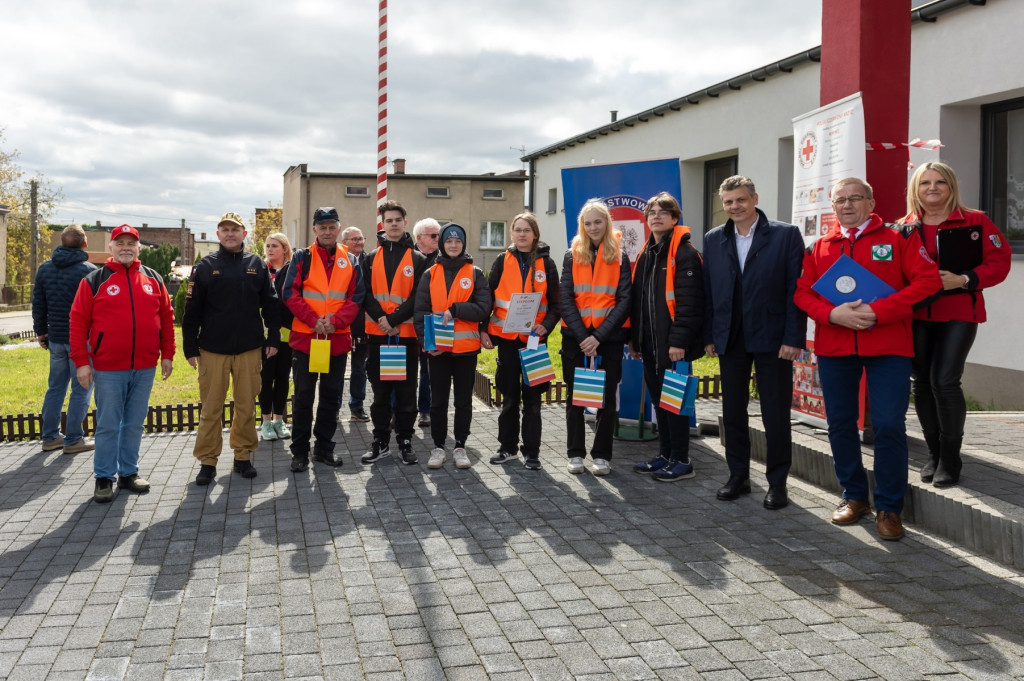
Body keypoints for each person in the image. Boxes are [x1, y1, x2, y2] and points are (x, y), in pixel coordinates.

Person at [794, 177, 941, 541]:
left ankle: (890, 507)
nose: (846, 205)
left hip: (888, 346)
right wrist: (832, 316)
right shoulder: (819, 246)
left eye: (854, 198)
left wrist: (878, 312)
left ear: (871, 202)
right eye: (840, 200)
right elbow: (802, 293)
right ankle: (854, 496)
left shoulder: (899, 238)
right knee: (841, 424)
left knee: (890, 425)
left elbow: (928, 282)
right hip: (836, 346)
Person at [898, 162, 1011, 487]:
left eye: (940, 182)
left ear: (951, 187)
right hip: (916, 315)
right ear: (915, 189)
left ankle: (951, 458)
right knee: (921, 382)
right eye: (925, 183)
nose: (932, 188)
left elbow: (1000, 262)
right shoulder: (902, 227)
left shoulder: (976, 221)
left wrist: (964, 279)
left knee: (945, 381)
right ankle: (933, 454)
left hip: (960, 312)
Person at [702, 176, 806, 509]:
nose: (734, 207)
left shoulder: (785, 235)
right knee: (733, 412)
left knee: (775, 413)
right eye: (728, 202)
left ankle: (777, 483)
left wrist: (793, 338)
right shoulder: (714, 238)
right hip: (730, 339)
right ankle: (738, 477)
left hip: (773, 339)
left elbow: (796, 291)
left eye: (740, 200)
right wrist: (710, 336)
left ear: (755, 198)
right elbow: (709, 293)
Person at [69, 225, 175, 502]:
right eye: (120, 242)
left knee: (134, 423)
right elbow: (78, 322)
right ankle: (104, 477)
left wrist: (168, 354)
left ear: (139, 248)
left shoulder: (153, 279)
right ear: (111, 248)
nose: (126, 247)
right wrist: (82, 362)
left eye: (131, 243)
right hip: (107, 368)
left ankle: (129, 473)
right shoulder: (93, 280)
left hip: (144, 366)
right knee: (108, 424)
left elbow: (166, 317)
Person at [183, 212, 281, 486]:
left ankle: (242, 456)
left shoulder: (257, 265)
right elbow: (191, 311)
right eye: (224, 229)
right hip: (213, 349)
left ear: (244, 234)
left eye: (235, 230)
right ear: (218, 234)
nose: (229, 234)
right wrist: (190, 346)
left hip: (249, 348)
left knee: (246, 405)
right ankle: (207, 461)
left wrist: (273, 338)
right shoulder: (204, 266)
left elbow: (272, 305)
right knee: (211, 408)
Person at [629, 192, 705, 482]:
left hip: (673, 347)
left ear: (675, 218)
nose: (656, 216)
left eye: (664, 212)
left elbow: (690, 303)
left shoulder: (685, 253)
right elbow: (640, 301)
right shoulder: (647, 253)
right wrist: (635, 340)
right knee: (660, 401)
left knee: (675, 402)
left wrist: (679, 343)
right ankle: (665, 455)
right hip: (650, 344)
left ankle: (682, 460)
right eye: (652, 212)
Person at [282, 208, 365, 472]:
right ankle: (299, 452)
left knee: (331, 398)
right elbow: (289, 293)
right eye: (322, 227)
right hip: (307, 340)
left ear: (339, 229)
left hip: (336, 340)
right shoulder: (301, 257)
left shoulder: (351, 260)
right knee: (304, 398)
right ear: (315, 230)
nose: (327, 231)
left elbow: (356, 299)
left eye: (332, 226)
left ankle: (324, 448)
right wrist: (314, 320)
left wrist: (335, 322)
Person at [481, 212, 560, 470]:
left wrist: (546, 326)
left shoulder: (547, 264)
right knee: (510, 398)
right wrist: (484, 330)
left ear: (535, 234)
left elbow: (557, 305)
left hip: (535, 340)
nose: (522, 234)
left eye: (527, 230)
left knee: (534, 400)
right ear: (512, 233)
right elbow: (488, 298)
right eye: (518, 230)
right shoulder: (502, 261)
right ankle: (507, 448)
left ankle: (532, 452)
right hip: (507, 340)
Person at [559, 200, 631, 476]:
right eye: (587, 223)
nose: (592, 228)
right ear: (582, 226)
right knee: (575, 398)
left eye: (597, 222)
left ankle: (601, 455)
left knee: (606, 399)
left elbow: (624, 300)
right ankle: (575, 454)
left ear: (606, 223)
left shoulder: (620, 256)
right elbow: (566, 298)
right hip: (575, 338)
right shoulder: (571, 254)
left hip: (608, 339)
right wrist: (583, 336)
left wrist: (598, 337)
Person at [414, 223, 491, 469]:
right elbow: (420, 313)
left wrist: (456, 309)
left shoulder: (475, 273)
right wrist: (428, 344)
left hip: (466, 350)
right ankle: (438, 447)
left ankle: (460, 445)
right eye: (449, 242)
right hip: (438, 350)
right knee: (438, 401)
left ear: (463, 244)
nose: (454, 245)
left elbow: (484, 307)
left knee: (463, 401)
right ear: (442, 245)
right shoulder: (430, 274)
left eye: (458, 242)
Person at [360, 201, 428, 466]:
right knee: (379, 393)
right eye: (389, 220)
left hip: (405, 336)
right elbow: (364, 294)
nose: (394, 224)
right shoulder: (369, 258)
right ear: (383, 224)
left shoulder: (418, 259)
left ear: (405, 222)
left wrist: (394, 319)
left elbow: (418, 297)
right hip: (378, 337)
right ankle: (379, 442)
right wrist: (382, 320)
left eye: (398, 219)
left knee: (406, 392)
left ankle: (405, 440)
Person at [32, 224, 96, 455]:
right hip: (82, 340)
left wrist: (41, 331)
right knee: (82, 388)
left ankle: (50, 437)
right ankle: (73, 439)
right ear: (84, 243)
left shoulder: (45, 269)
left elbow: (39, 303)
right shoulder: (88, 271)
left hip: (56, 338)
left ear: (61, 242)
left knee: (55, 388)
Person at [259, 232, 294, 442]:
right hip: (264, 336)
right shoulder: (261, 271)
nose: (270, 249)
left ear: (284, 249)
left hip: (288, 335)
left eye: (275, 246)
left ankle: (279, 420)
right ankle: (265, 421)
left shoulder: (291, 271)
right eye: (268, 246)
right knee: (265, 379)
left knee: (282, 378)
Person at [412, 217, 441, 427]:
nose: (437, 239)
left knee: (428, 369)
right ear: (419, 238)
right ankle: (398, 411)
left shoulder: (442, 259)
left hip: (430, 323)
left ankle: (425, 410)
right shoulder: (409, 257)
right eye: (433, 236)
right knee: (402, 369)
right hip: (404, 322)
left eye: (438, 235)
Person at [341, 226, 370, 422]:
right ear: (344, 243)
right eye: (354, 239)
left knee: (360, 368)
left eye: (361, 238)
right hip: (339, 324)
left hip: (362, 325)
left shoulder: (370, 262)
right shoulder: (337, 262)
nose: (359, 242)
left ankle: (357, 406)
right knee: (336, 369)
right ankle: (333, 407)